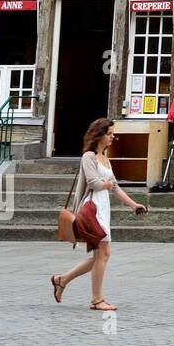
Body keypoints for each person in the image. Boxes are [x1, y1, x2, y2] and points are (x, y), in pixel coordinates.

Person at [50, 118, 147, 311]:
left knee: (101, 255)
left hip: (103, 207)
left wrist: (133, 204)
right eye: (110, 133)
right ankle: (96, 299)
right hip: (92, 208)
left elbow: (116, 187)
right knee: (103, 253)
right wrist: (107, 184)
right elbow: (94, 183)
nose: (113, 137)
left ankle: (62, 280)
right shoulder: (89, 157)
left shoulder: (105, 158)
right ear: (99, 135)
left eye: (113, 133)